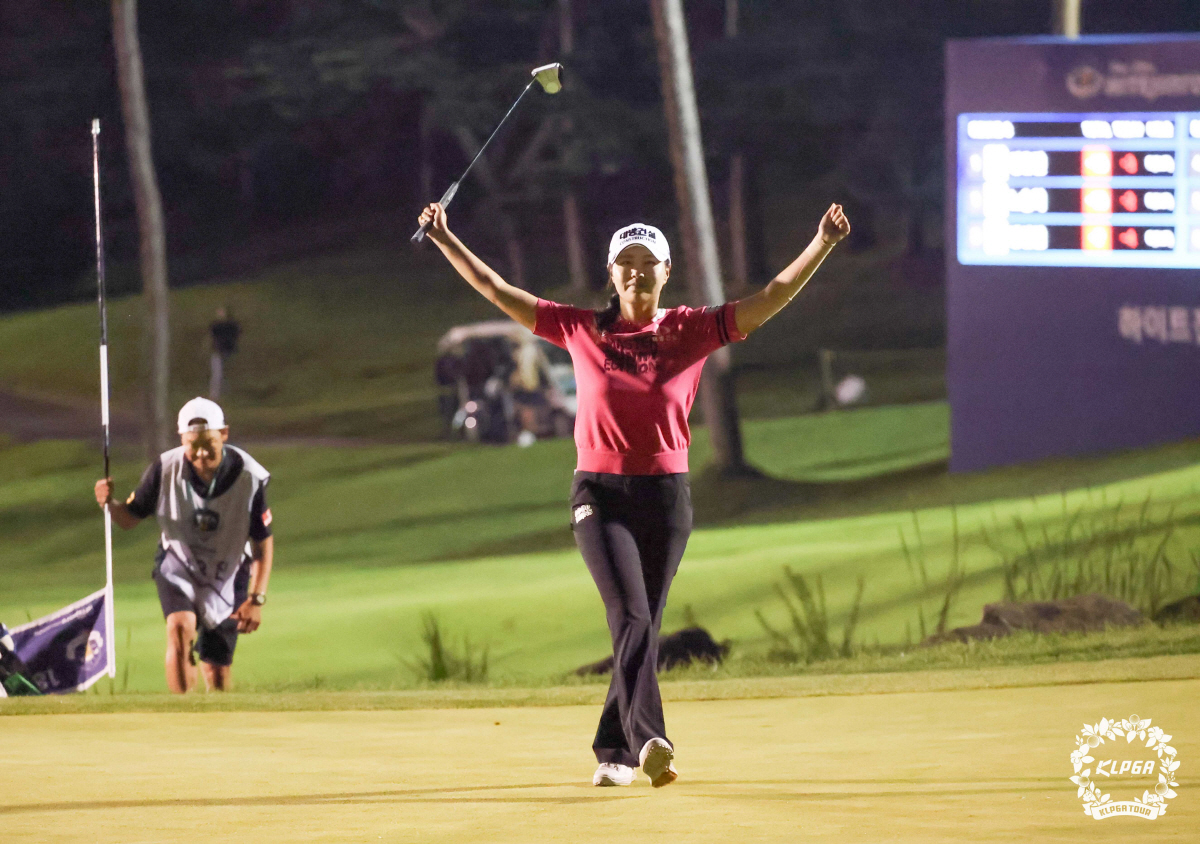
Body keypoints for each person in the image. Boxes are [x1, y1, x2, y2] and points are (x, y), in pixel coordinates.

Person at [417, 199, 850, 789]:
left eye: (649, 263)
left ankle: (612, 751)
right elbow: (496, 289)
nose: (637, 272)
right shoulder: (580, 328)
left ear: (666, 272)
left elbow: (770, 297)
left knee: (640, 627)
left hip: (667, 497)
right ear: (611, 273)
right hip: (599, 492)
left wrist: (820, 243)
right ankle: (650, 737)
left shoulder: (689, 329)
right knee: (631, 614)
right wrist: (445, 238)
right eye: (626, 262)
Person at [93, 397, 274, 694]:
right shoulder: (164, 469)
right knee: (179, 629)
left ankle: (218, 727)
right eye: (193, 445)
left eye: (209, 444)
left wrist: (256, 599)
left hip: (228, 571)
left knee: (216, 670)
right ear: (182, 439)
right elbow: (129, 518)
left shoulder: (248, 478)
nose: (201, 453)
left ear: (224, 434)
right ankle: (182, 714)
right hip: (179, 564)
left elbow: (262, 544)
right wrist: (109, 503)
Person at [209, 306, 241, 399]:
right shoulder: (217, 325)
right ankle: (215, 394)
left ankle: (223, 392)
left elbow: (236, 332)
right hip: (218, 352)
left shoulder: (230, 325)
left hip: (227, 351)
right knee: (217, 373)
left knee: (223, 373)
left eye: (222, 312)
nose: (220, 315)